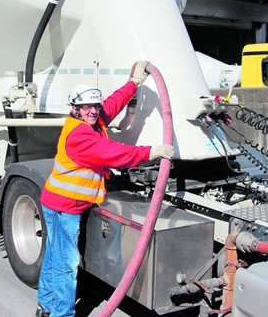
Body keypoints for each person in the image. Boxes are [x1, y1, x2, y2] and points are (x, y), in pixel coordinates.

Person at [35, 60, 175, 317]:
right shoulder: (79, 135)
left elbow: (112, 103)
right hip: (64, 207)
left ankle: (45, 303)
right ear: (75, 109)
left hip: (59, 202)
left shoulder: (93, 121)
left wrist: (134, 82)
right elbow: (113, 153)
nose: (92, 111)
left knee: (54, 256)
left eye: (94, 106)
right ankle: (61, 314)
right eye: (86, 107)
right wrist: (151, 152)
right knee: (66, 263)